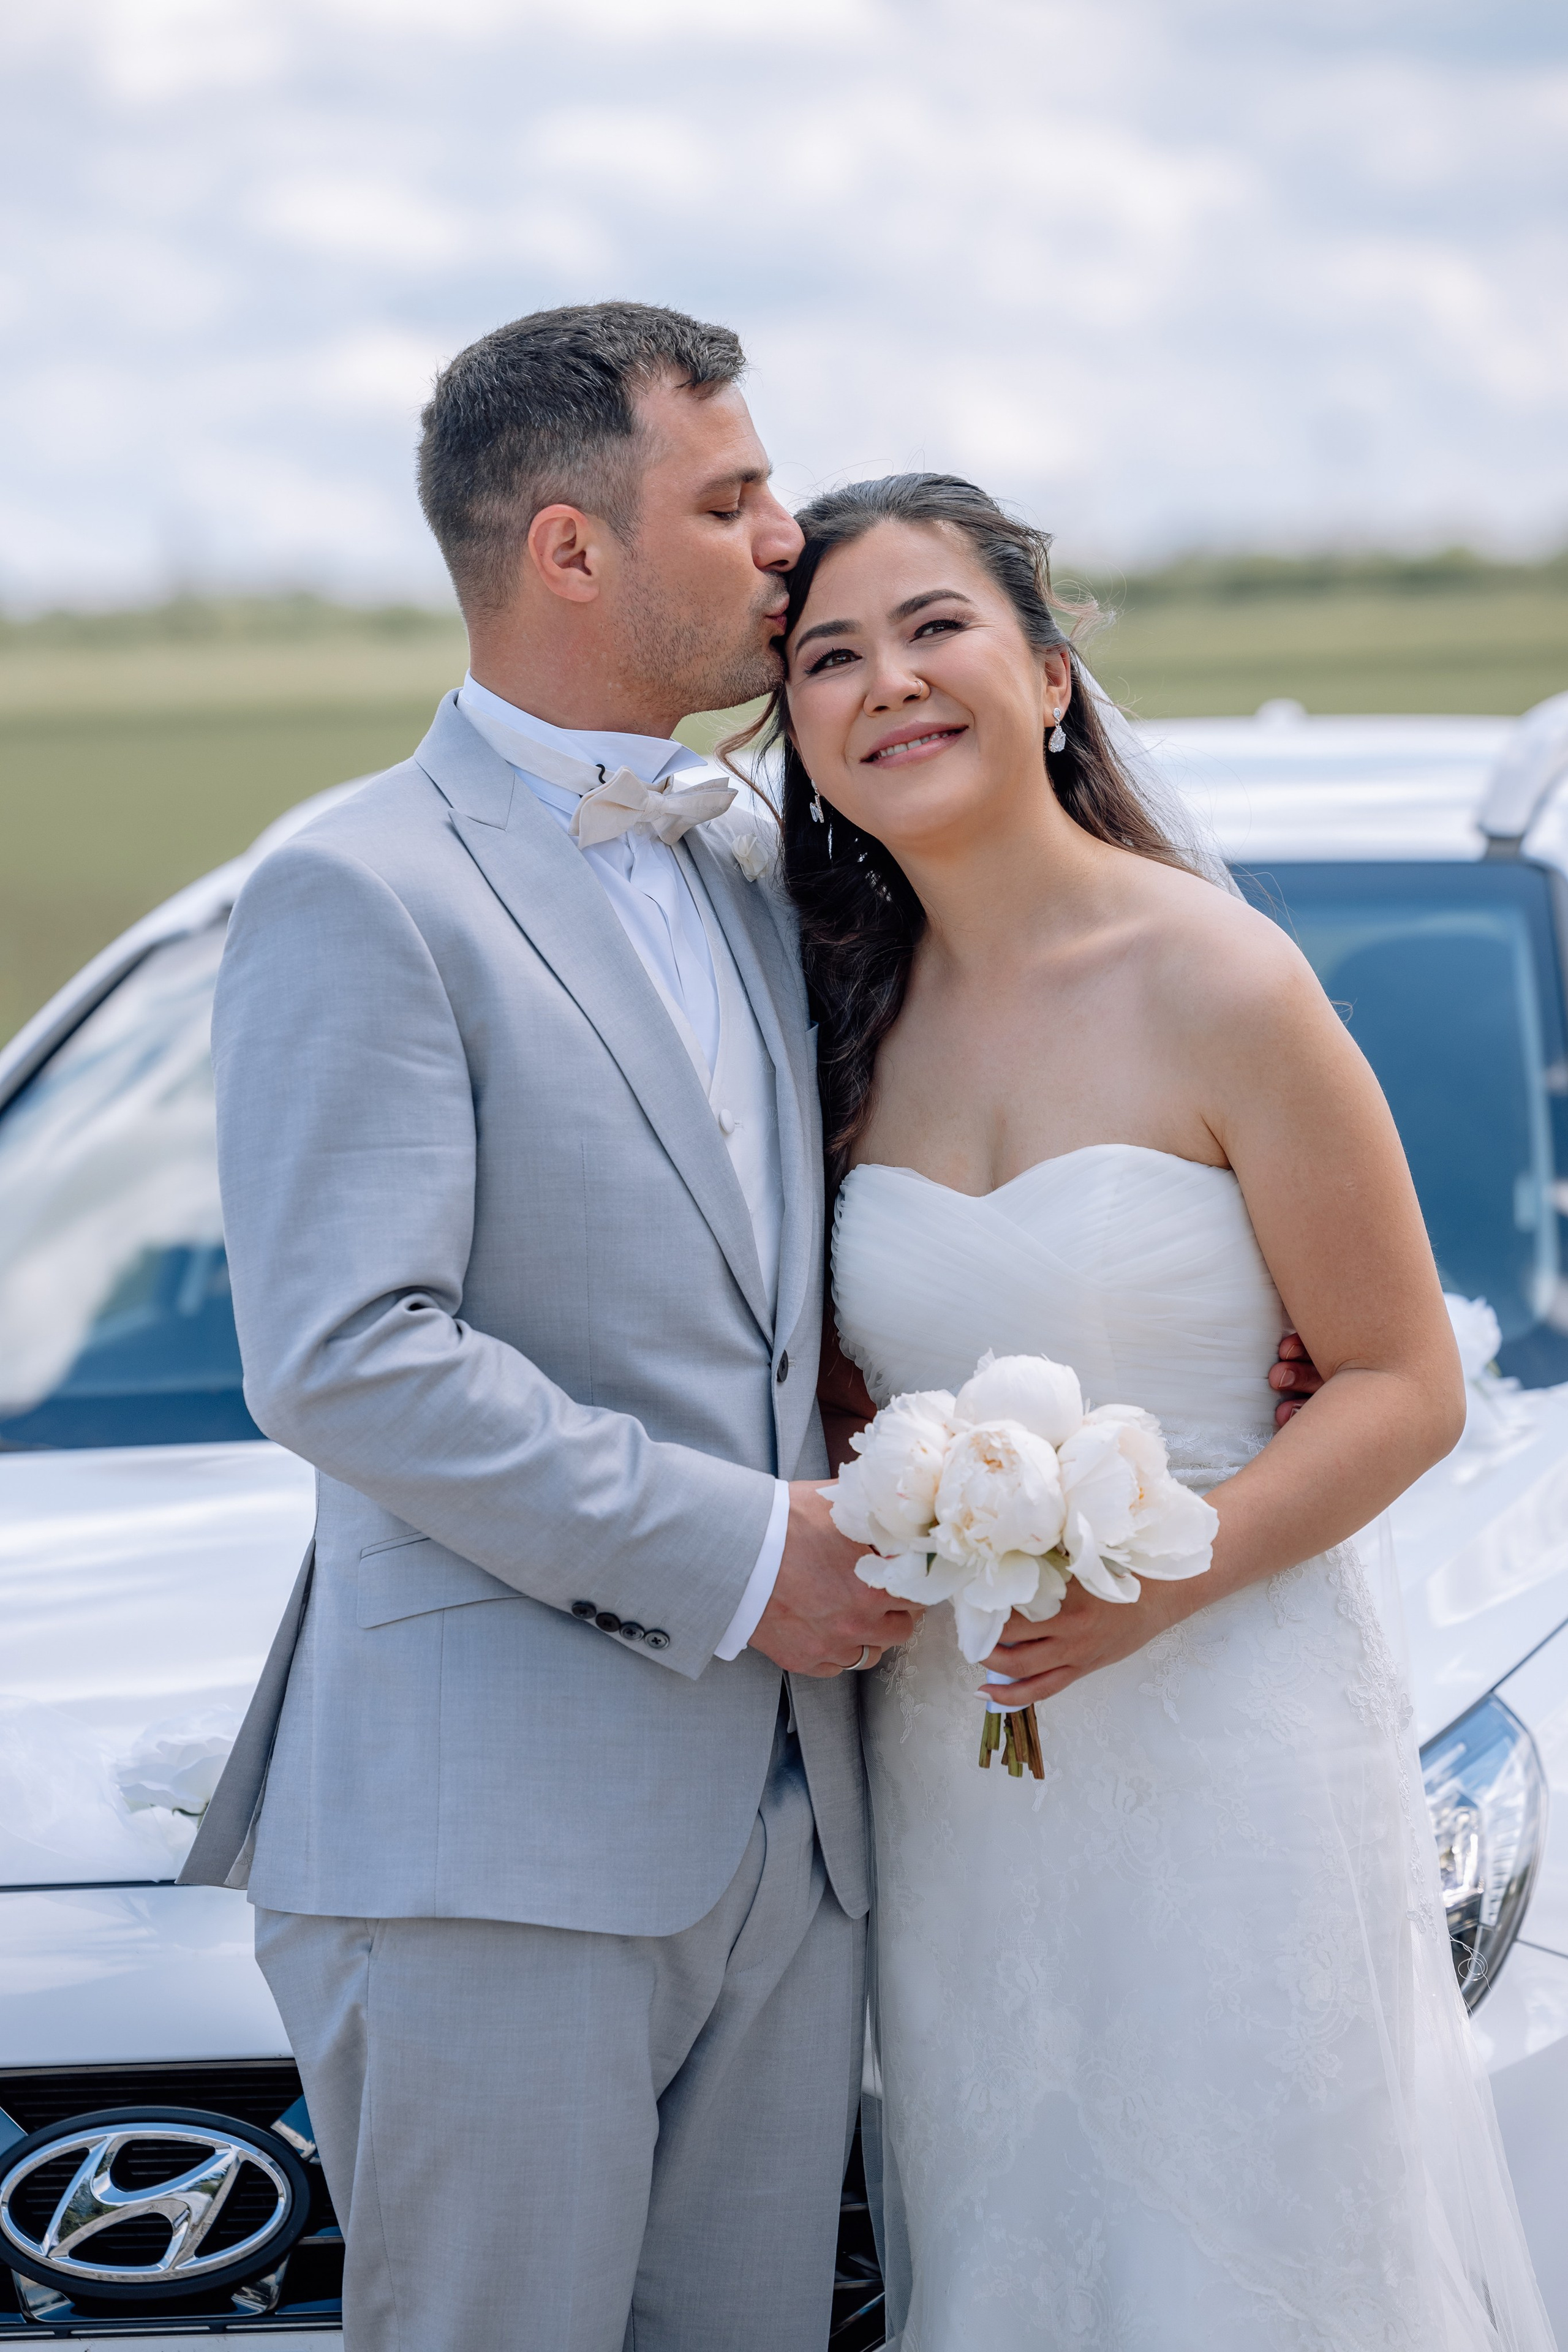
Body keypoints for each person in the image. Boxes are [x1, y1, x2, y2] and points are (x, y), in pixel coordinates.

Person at [179, 301, 923, 2352]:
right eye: (735, 496)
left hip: (798, 1833)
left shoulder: (776, 866)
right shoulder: (360, 884)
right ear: (572, 554)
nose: (791, 539)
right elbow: (345, 1353)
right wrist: (742, 1550)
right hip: (481, 1843)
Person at [761, 472, 1556, 2350]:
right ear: (796, 728)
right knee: (1014, 2234)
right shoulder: (836, 1022)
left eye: (935, 628)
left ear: (1048, 674)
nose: (890, 682)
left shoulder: (1220, 977)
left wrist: (1162, 1582)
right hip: (960, 1767)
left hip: (1233, 1734)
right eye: (828, 656)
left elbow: (1401, 1382)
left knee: (1253, 2245)